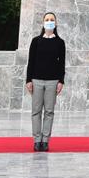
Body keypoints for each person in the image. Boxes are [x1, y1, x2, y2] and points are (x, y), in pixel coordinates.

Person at [25, 12, 65, 152]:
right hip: (36, 80)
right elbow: (31, 61)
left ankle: (45, 140)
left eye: (52, 19)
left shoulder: (60, 42)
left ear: (56, 23)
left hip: (52, 81)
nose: (49, 21)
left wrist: (61, 81)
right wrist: (28, 80)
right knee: (36, 111)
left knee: (49, 111)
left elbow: (62, 64)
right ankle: (37, 139)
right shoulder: (36, 41)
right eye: (47, 19)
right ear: (43, 22)